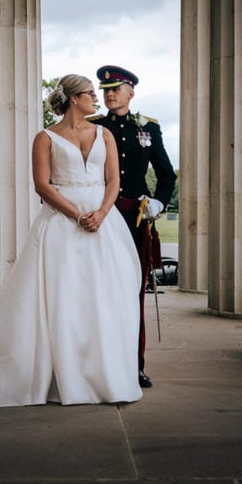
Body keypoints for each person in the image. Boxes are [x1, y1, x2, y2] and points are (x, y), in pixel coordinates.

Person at [0, 74, 143, 407]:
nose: (97, 97)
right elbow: (43, 186)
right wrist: (77, 215)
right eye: (91, 93)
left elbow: (113, 180)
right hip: (63, 225)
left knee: (105, 297)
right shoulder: (45, 137)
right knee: (64, 297)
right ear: (74, 98)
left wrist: (102, 213)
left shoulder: (104, 134)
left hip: (104, 225)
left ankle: (103, 374)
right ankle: (62, 375)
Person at [91, 65, 176, 389]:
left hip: (134, 219)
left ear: (131, 92)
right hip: (101, 217)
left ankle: (133, 364)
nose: (109, 94)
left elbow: (167, 174)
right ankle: (100, 360)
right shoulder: (95, 127)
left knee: (134, 291)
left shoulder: (148, 129)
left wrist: (159, 203)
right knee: (100, 290)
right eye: (105, 90)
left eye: (115, 89)